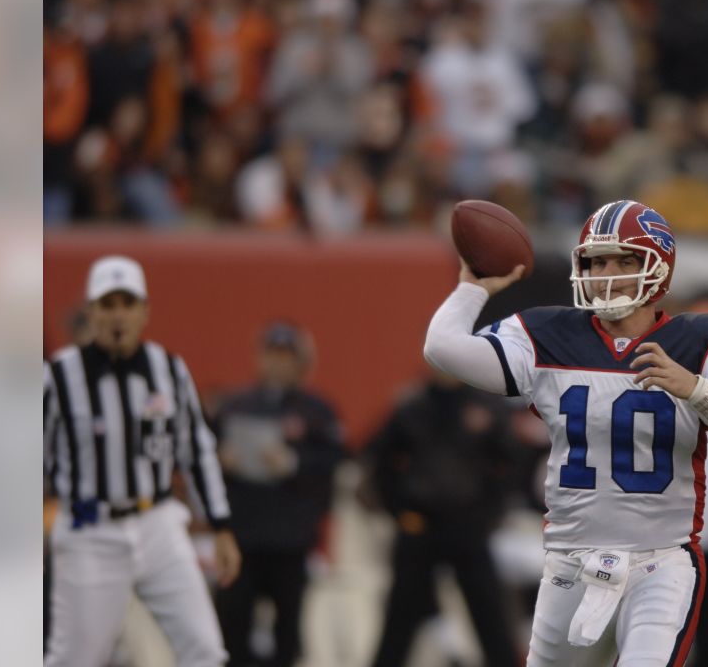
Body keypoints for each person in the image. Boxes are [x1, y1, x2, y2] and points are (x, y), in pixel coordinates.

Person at [422, 199, 708, 666]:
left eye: (623, 260)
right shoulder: (546, 333)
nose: (605, 272)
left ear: (658, 266)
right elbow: (442, 349)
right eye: (596, 261)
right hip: (570, 562)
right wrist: (471, 289)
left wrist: (697, 391)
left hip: (661, 563)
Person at [43, 255, 241, 666]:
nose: (118, 316)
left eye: (127, 304)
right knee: (76, 659)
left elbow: (196, 447)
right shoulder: (58, 377)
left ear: (145, 311)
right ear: (91, 311)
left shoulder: (168, 369)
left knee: (205, 650)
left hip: (158, 522)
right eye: (108, 304)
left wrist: (221, 525)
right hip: (89, 528)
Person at [362, 371, 521, 667]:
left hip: (468, 524)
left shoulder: (484, 407)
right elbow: (379, 460)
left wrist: (489, 513)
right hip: (420, 524)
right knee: (400, 615)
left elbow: (511, 462)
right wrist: (399, 512)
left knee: (489, 613)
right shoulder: (414, 406)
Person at [213, 322, 346, 667]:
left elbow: (335, 461)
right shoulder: (234, 405)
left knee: (287, 629)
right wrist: (220, 459)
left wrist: (293, 462)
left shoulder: (317, 411)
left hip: (290, 536)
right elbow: (200, 457)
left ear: (300, 362)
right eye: (272, 355)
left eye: (286, 356)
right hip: (242, 535)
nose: (278, 364)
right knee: (233, 624)